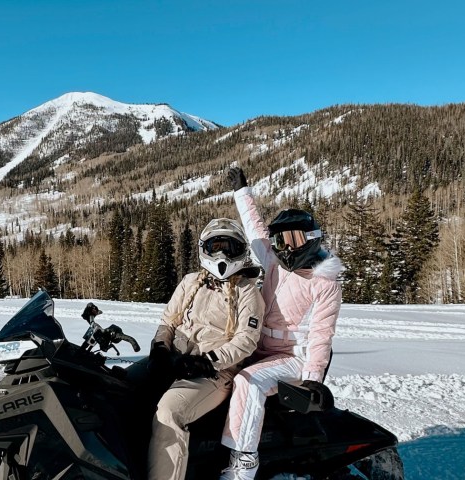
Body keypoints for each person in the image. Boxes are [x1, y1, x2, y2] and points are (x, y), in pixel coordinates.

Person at [218, 167, 344, 480]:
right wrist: (241, 192)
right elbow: (255, 230)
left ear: (312, 239)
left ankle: (245, 460)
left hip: (293, 357)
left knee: (248, 381)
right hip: (258, 345)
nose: (287, 246)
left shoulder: (323, 282)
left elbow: (321, 334)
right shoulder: (273, 260)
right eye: (282, 239)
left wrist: (313, 378)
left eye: (295, 238)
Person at [146, 218, 265, 480]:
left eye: (229, 247)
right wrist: (160, 348)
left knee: (169, 413)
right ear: (204, 249)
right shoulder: (191, 282)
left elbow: (246, 339)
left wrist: (209, 362)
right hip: (177, 359)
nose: (222, 254)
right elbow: (169, 321)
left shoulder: (247, 292)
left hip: (214, 372)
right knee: (117, 388)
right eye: (215, 246)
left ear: (241, 251)